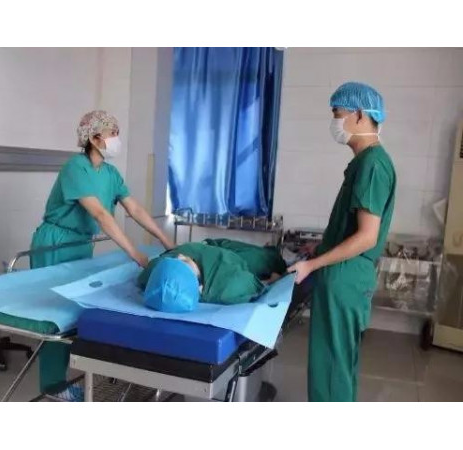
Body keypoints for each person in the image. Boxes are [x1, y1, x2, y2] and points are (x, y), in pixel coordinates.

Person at [30, 110, 174, 401]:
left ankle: (70, 373)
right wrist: (135, 253)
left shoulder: (110, 174)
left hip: (80, 243)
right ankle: (53, 386)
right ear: (94, 139)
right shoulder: (76, 167)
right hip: (55, 242)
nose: (117, 139)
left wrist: (165, 240)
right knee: (56, 316)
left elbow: (134, 209)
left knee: (76, 310)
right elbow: (99, 213)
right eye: (112, 133)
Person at [287, 82, 396, 402]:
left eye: (337, 113)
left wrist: (312, 264)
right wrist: (320, 248)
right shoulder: (364, 163)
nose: (334, 121)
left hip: (345, 279)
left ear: (359, 115)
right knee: (337, 364)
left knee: (332, 368)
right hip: (343, 276)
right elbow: (350, 229)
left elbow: (366, 237)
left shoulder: (373, 165)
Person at [138, 238, 286, 310]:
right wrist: (271, 281)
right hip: (232, 261)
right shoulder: (227, 287)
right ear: (199, 288)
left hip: (208, 246)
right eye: (183, 263)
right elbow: (259, 287)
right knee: (267, 260)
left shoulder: (154, 272)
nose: (180, 257)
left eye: (175, 261)